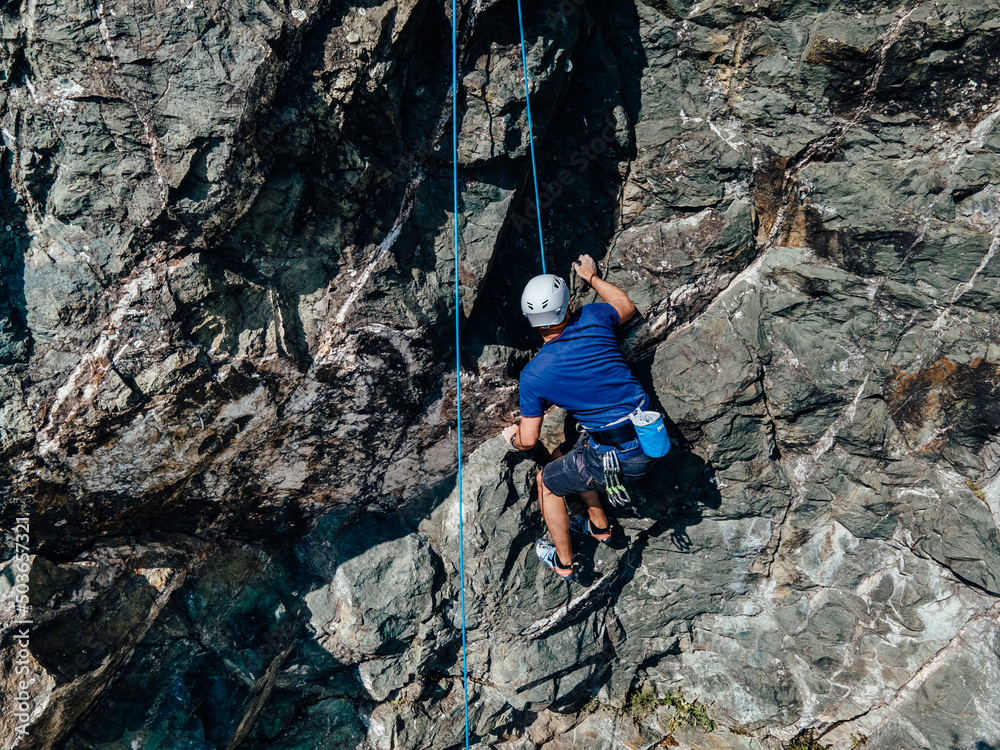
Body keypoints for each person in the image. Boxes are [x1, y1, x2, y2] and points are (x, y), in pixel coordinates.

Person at [503, 254, 664, 579]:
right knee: (566, 454)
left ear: (532, 321)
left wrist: (512, 437)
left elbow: (529, 439)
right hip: (649, 434)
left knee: (546, 481)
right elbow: (625, 305)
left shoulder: (534, 375)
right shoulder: (593, 317)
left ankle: (563, 562)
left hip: (616, 457)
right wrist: (591, 277)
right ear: (570, 304)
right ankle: (599, 526)